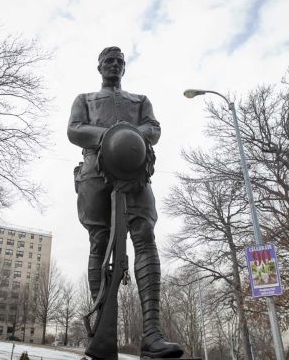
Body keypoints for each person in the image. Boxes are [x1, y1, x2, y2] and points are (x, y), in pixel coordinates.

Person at [68, 47, 182, 358]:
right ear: (99, 66)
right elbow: (75, 130)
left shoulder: (140, 101)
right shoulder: (85, 99)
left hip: (135, 169)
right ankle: (100, 335)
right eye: (108, 61)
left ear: (124, 67)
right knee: (99, 241)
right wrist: (110, 136)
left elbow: (153, 128)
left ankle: (153, 333)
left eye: (119, 61)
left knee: (144, 236)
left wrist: (128, 137)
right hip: (95, 170)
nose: (114, 65)